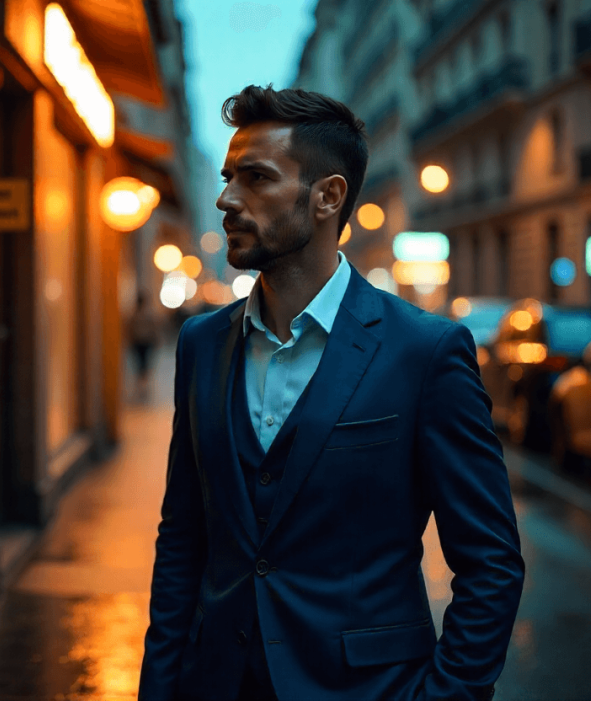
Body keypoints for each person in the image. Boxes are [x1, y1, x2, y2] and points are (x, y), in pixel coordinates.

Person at [138, 85, 524, 701]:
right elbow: (183, 536)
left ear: (328, 197)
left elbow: (491, 564)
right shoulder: (201, 345)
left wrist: (444, 696)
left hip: (368, 687)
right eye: (228, 176)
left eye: (256, 178)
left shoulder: (424, 352)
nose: (226, 198)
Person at [128, 292, 164, 401]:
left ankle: (142, 385)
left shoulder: (135, 315)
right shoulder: (146, 314)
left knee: (141, 363)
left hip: (140, 342)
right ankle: (143, 385)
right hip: (143, 342)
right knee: (143, 363)